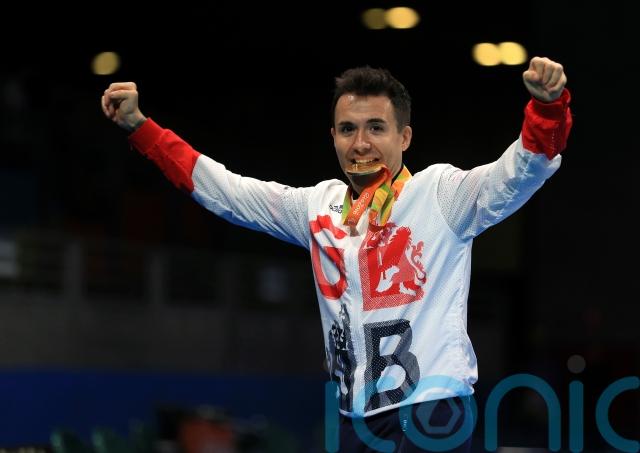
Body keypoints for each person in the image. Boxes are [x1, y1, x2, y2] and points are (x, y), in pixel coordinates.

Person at [101, 56, 572, 452]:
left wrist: (548, 107)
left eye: (376, 128)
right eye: (348, 129)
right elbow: (226, 191)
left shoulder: (440, 195)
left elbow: (520, 172)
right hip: (354, 420)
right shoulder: (317, 207)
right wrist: (142, 129)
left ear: (405, 137)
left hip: (430, 414)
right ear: (333, 138)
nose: (361, 143)